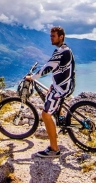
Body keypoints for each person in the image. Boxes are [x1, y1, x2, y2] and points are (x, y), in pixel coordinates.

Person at [25, 26, 75, 158]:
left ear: (61, 37)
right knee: (50, 94)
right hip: (65, 84)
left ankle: (54, 149)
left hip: (62, 88)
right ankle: (61, 117)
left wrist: (32, 77)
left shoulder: (61, 52)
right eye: (50, 36)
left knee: (46, 115)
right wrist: (53, 84)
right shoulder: (64, 49)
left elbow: (47, 67)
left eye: (53, 36)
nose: (51, 38)